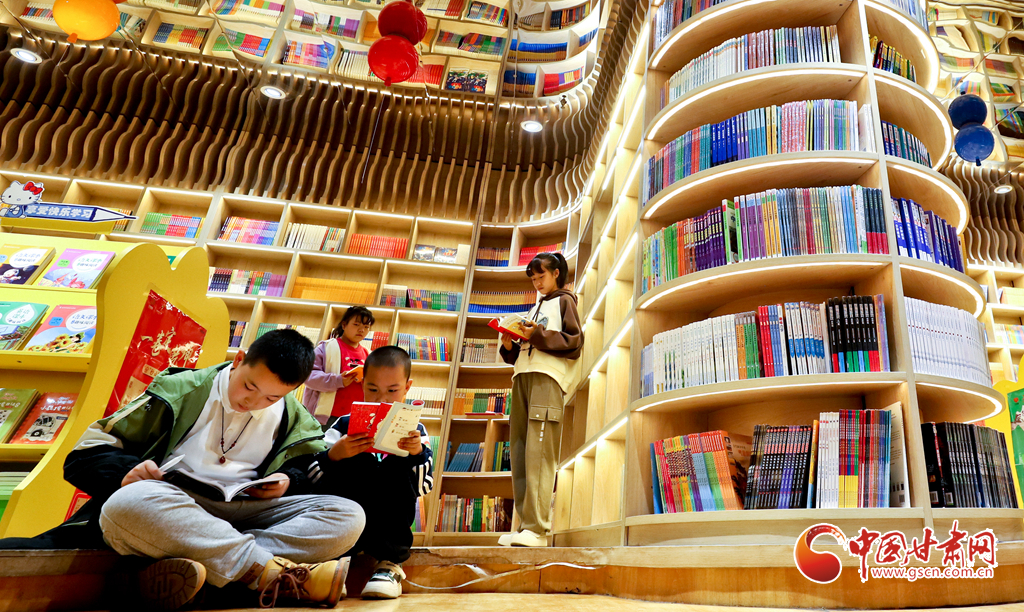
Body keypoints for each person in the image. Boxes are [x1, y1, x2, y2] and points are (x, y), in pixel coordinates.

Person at [57, 329, 364, 609]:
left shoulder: (295, 417)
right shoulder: (180, 389)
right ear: (239, 359)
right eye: (249, 386)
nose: (253, 401)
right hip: (175, 506)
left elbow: (305, 467)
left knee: (348, 516)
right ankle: (269, 574)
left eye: (272, 398)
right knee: (127, 504)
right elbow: (85, 452)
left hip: (247, 511)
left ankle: (213, 568)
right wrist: (126, 471)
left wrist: (288, 480)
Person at [308, 345, 433, 599]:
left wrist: (416, 454)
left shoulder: (416, 431)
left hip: (390, 528)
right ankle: (334, 561)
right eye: (373, 389)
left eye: (392, 390)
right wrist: (334, 456)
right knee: (360, 462)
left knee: (396, 465)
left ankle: (389, 565)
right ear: (362, 384)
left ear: (407, 387)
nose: (382, 399)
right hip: (345, 526)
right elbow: (312, 479)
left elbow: (423, 487)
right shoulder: (342, 424)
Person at [498, 252, 583, 547]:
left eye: (541, 276)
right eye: (533, 279)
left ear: (556, 273)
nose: (537, 283)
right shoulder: (536, 307)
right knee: (520, 450)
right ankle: (525, 526)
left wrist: (537, 334)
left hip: (547, 378)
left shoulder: (565, 301)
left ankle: (537, 529)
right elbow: (528, 349)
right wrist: (510, 345)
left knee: (540, 452)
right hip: (522, 376)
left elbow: (574, 342)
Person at [302, 306, 376, 428]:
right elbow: (308, 376)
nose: (361, 330)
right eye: (356, 324)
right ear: (344, 325)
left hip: (355, 417)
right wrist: (338, 380)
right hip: (326, 417)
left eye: (366, 327)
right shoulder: (325, 347)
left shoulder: (368, 354)